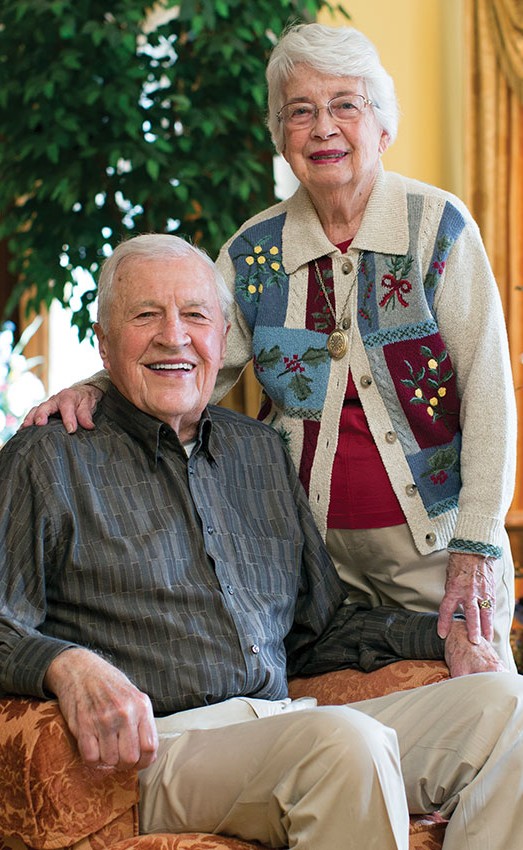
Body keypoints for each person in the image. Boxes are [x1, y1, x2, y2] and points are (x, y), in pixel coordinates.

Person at [2, 233, 522, 850]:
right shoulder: (47, 458)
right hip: (164, 749)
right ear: (104, 342)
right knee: (344, 745)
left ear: (224, 340)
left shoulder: (259, 452)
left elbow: (318, 629)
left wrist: (445, 633)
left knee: (507, 705)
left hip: (286, 723)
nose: (175, 337)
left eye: (195, 316)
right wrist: (66, 663)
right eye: (146, 316)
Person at [26, 23, 517, 669]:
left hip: (434, 547)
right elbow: (192, 357)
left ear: (382, 126)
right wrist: (90, 389)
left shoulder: (436, 227)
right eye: (299, 112)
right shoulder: (254, 251)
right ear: (279, 135)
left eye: (345, 104)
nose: (322, 128)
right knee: (338, 730)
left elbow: (487, 387)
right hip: (305, 554)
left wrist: (477, 545)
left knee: (477, 710)